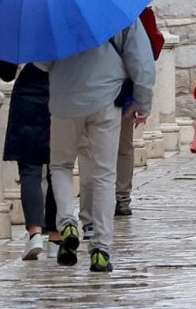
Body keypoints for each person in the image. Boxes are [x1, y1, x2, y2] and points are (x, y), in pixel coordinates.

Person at [37, 19, 156, 273]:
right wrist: (143, 102)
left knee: (60, 166)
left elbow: (42, 61)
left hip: (64, 100)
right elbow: (142, 62)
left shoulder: (54, 12)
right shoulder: (121, 13)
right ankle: (101, 249)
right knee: (104, 174)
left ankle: (67, 223)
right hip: (106, 99)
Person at [0, 61, 57, 261]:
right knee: (58, 170)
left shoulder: (23, 41)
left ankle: (35, 234)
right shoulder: (68, 41)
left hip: (27, 99)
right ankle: (56, 238)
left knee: (29, 169)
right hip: (59, 97)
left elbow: (6, 73)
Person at [113, 6, 166, 219]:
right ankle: (122, 197)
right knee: (123, 147)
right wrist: (143, 102)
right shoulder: (136, 12)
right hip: (124, 88)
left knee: (91, 149)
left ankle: (99, 202)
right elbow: (151, 52)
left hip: (90, 92)